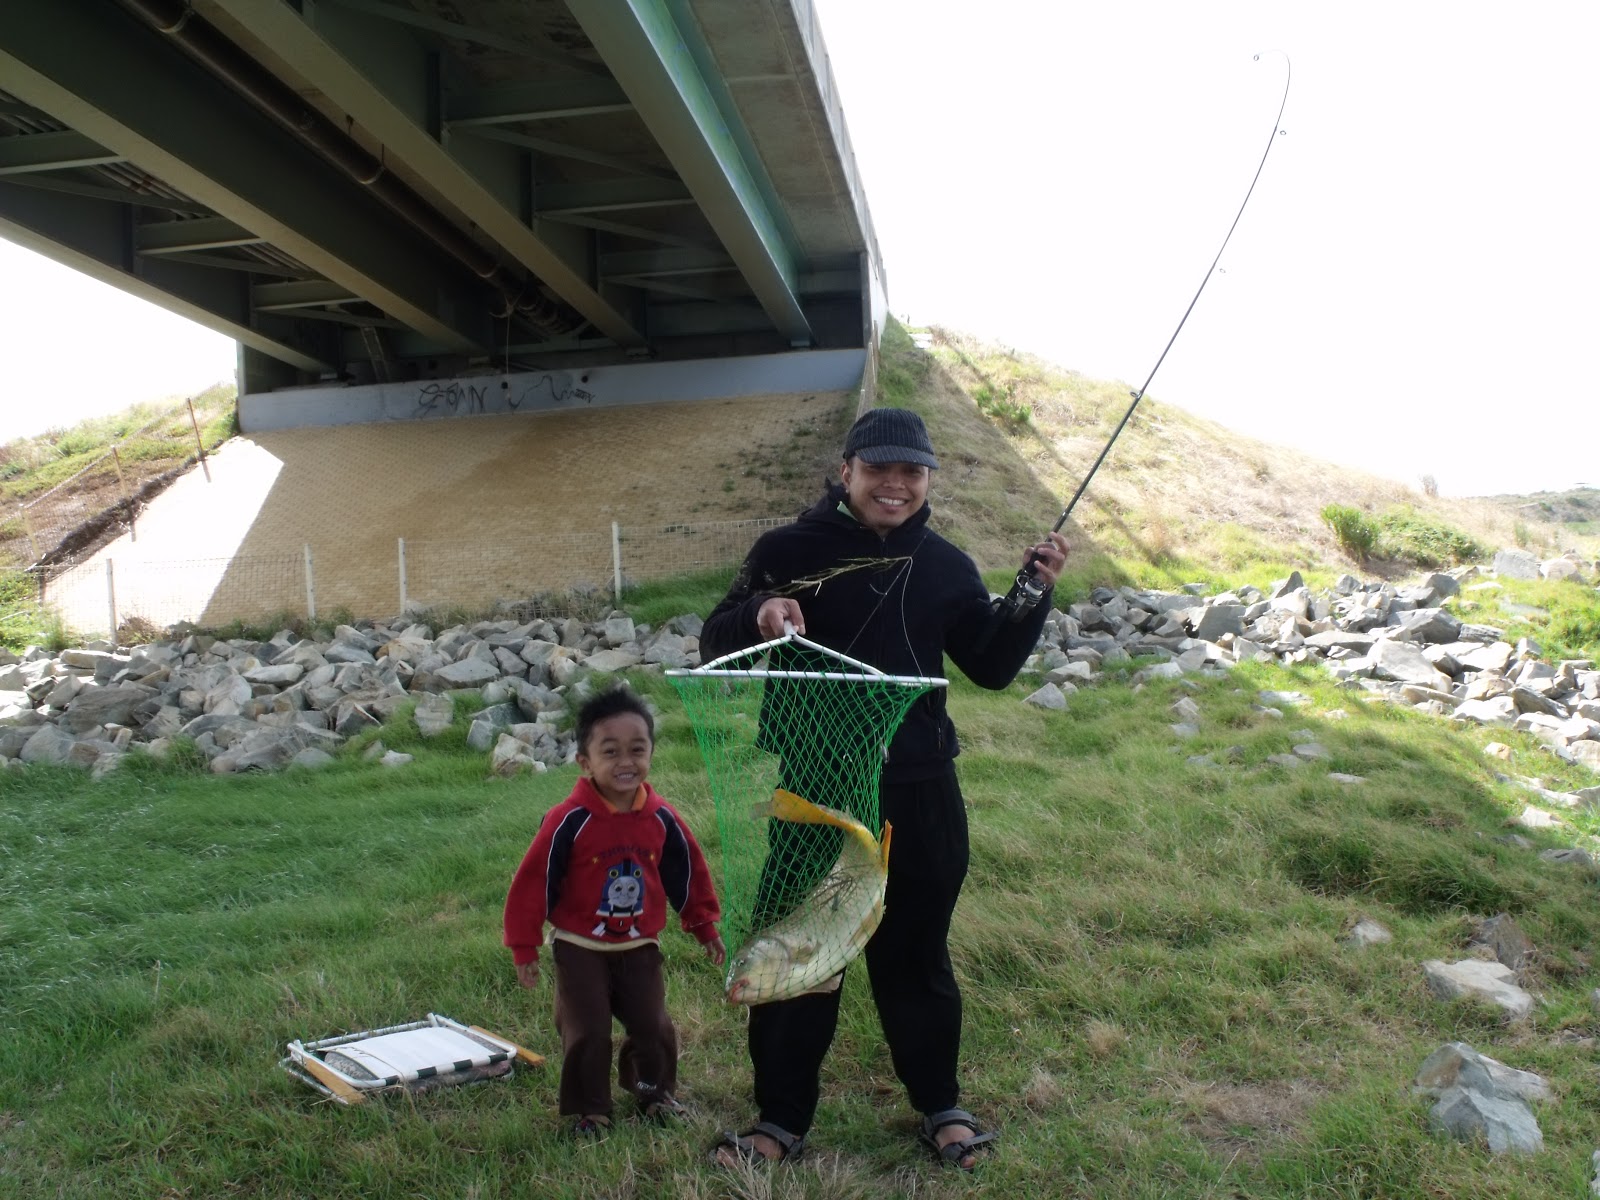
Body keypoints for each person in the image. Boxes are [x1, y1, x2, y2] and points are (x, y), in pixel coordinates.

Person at [701, 406, 1068, 1170]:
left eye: (912, 471)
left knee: (915, 956)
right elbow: (716, 635)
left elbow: (992, 666)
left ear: (927, 478)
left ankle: (942, 1107)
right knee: (802, 955)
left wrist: (1031, 593)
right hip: (816, 789)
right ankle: (778, 1123)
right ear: (847, 472)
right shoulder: (788, 550)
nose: (895, 485)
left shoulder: (946, 564)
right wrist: (761, 612)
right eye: (879, 469)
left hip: (922, 788)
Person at [503, 686, 726, 1136]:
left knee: (651, 1024)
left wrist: (704, 925)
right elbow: (534, 882)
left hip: (639, 943)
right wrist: (524, 946)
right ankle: (591, 1109)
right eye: (611, 752)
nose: (626, 762)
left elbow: (688, 871)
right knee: (588, 1029)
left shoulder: (661, 817)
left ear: (651, 754)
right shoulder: (568, 819)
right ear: (586, 762)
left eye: (637, 750)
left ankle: (654, 1093)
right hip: (579, 944)